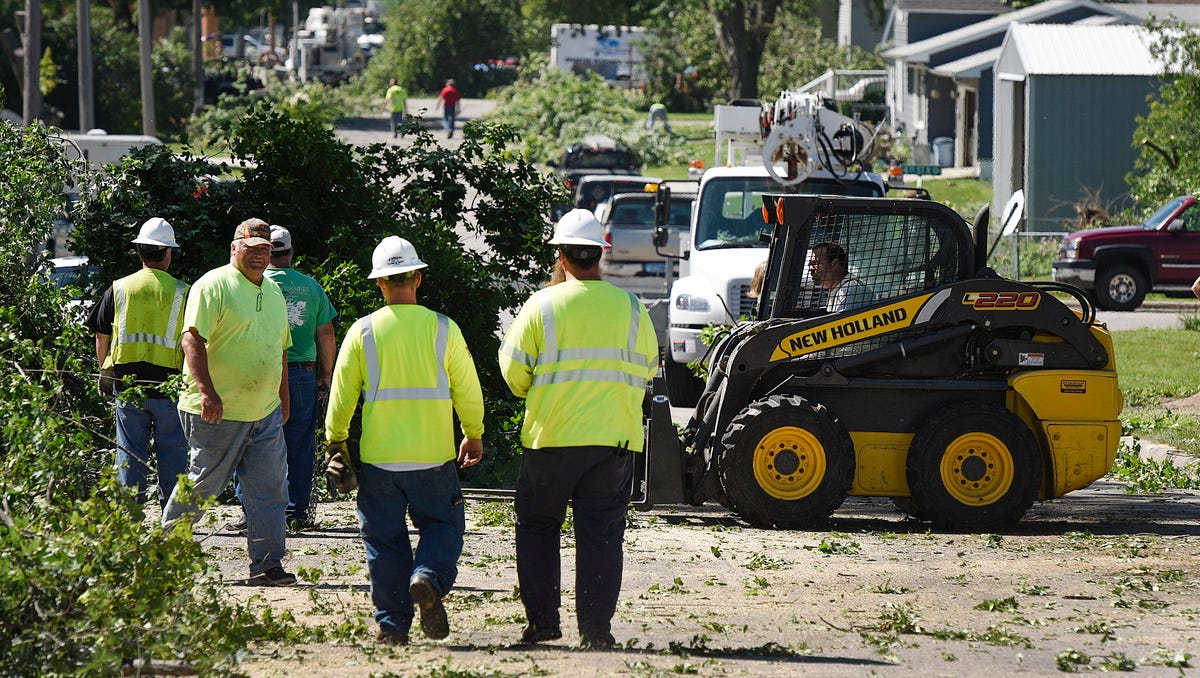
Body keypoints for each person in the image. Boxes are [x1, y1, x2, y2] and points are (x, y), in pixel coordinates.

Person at [498, 209, 658, 649]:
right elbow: (647, 367)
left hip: (550, 438)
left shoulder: (540, 306)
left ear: (561, 256)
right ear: (599, 257)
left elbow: (513, 376)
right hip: (613, 442)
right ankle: (596, 630)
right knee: (602, 535)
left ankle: (544, 623)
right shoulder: (630, 307)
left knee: (538, 529)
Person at [324, 236, 484, 645]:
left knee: (383, 541)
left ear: (380, 284)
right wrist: (473, 433)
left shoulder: (363, 332)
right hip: (433, 457)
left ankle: (392, 627)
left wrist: (336, 443)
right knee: (442, 527)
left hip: (380, 461)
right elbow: (467, 389)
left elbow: (342, 395)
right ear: (417, 277)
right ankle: (428, 577)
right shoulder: (444, 329)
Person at [161, 218, 295, 587]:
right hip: (215, 411)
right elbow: (192, 340)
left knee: (270, 489)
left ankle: (267, 565)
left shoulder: (272, 292)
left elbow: (280, 349)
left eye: (265, 251)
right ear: (235, 248)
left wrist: (282, 397)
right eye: (252, 250)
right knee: (203, 484)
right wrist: (207, 391)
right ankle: (165, 555)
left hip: (263, 411)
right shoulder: (213, 285)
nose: (259, 257)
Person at [85, 217, 189, 507]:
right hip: (170, 387)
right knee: (174, 455)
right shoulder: (183, 292)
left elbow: (101, 334)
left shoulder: (118, 288)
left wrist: (105, 368)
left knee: (129, 455)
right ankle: (174, 519)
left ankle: (128, 515)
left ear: (140, 251)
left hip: (128, 385)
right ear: (168, 253)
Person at [265, 225, 337, 529]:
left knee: (255, 443)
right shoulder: (311, 287)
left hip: (261, 374)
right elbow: (327, 334)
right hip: (300, 375)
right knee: (300, 445)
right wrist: (326, 374)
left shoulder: (255, 284)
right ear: (291, 253)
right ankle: (295, 514)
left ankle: (254, 512)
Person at [809, 241, 874, 312]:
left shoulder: (850, 290)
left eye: (815, 263)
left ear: (834, 264)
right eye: (810, 264)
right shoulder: (840, 288)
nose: (811, 268)